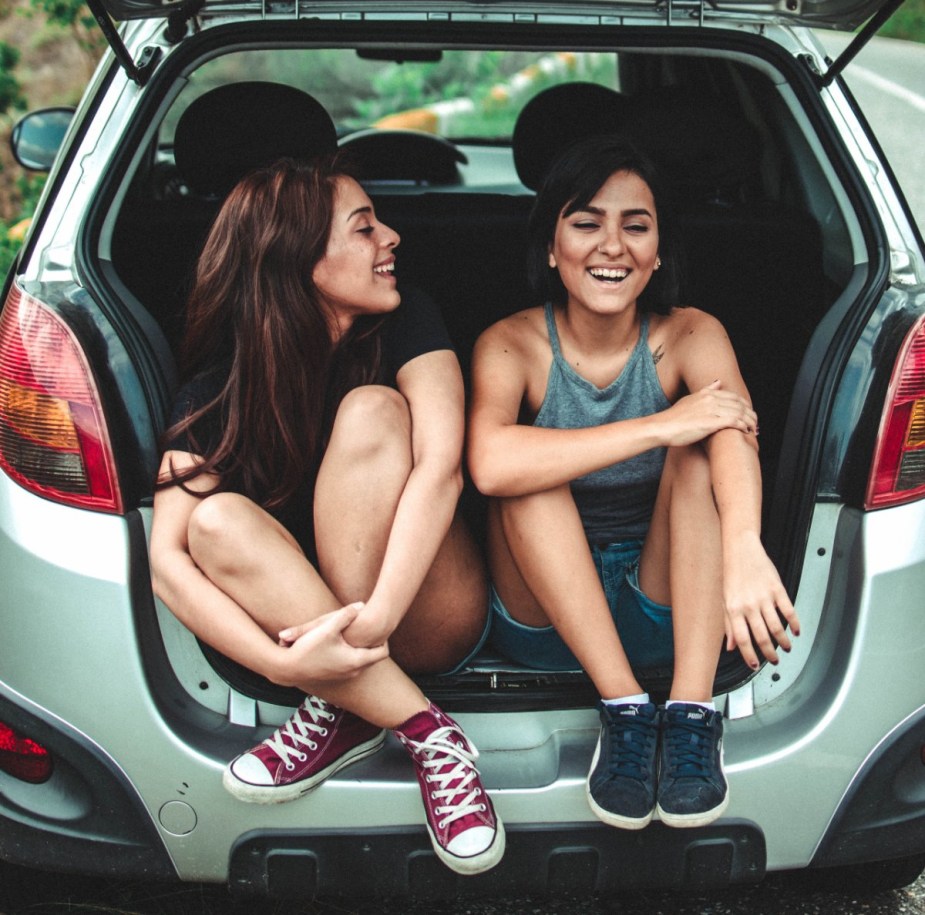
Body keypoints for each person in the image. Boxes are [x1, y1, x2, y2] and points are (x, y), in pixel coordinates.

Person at [148, 155, 504, 876]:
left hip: (426, 609)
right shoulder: (218, 389)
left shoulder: (410, 324)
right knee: (209, 522)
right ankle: (423, 730)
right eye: (365, 227)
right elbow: (166, 562)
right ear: (301, 258)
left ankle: (343, 704)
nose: (392, 237)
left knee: (372, 410)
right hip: (314, 644)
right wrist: (286, 663)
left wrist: (368, 627)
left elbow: (443, 468)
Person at [467, 135, 800, 831]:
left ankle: (687, 711)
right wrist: (658, 424)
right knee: (530, 471)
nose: (611, 245)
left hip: (668, 610)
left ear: (657, 255)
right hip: (545, 616)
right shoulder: (510, 342)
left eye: (635, 226)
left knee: (702, 451)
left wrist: (743, 547)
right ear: (552, 247)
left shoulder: (690, 333)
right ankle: (622, 709)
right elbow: (491, 464)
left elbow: (734, 430)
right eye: (586, 222)